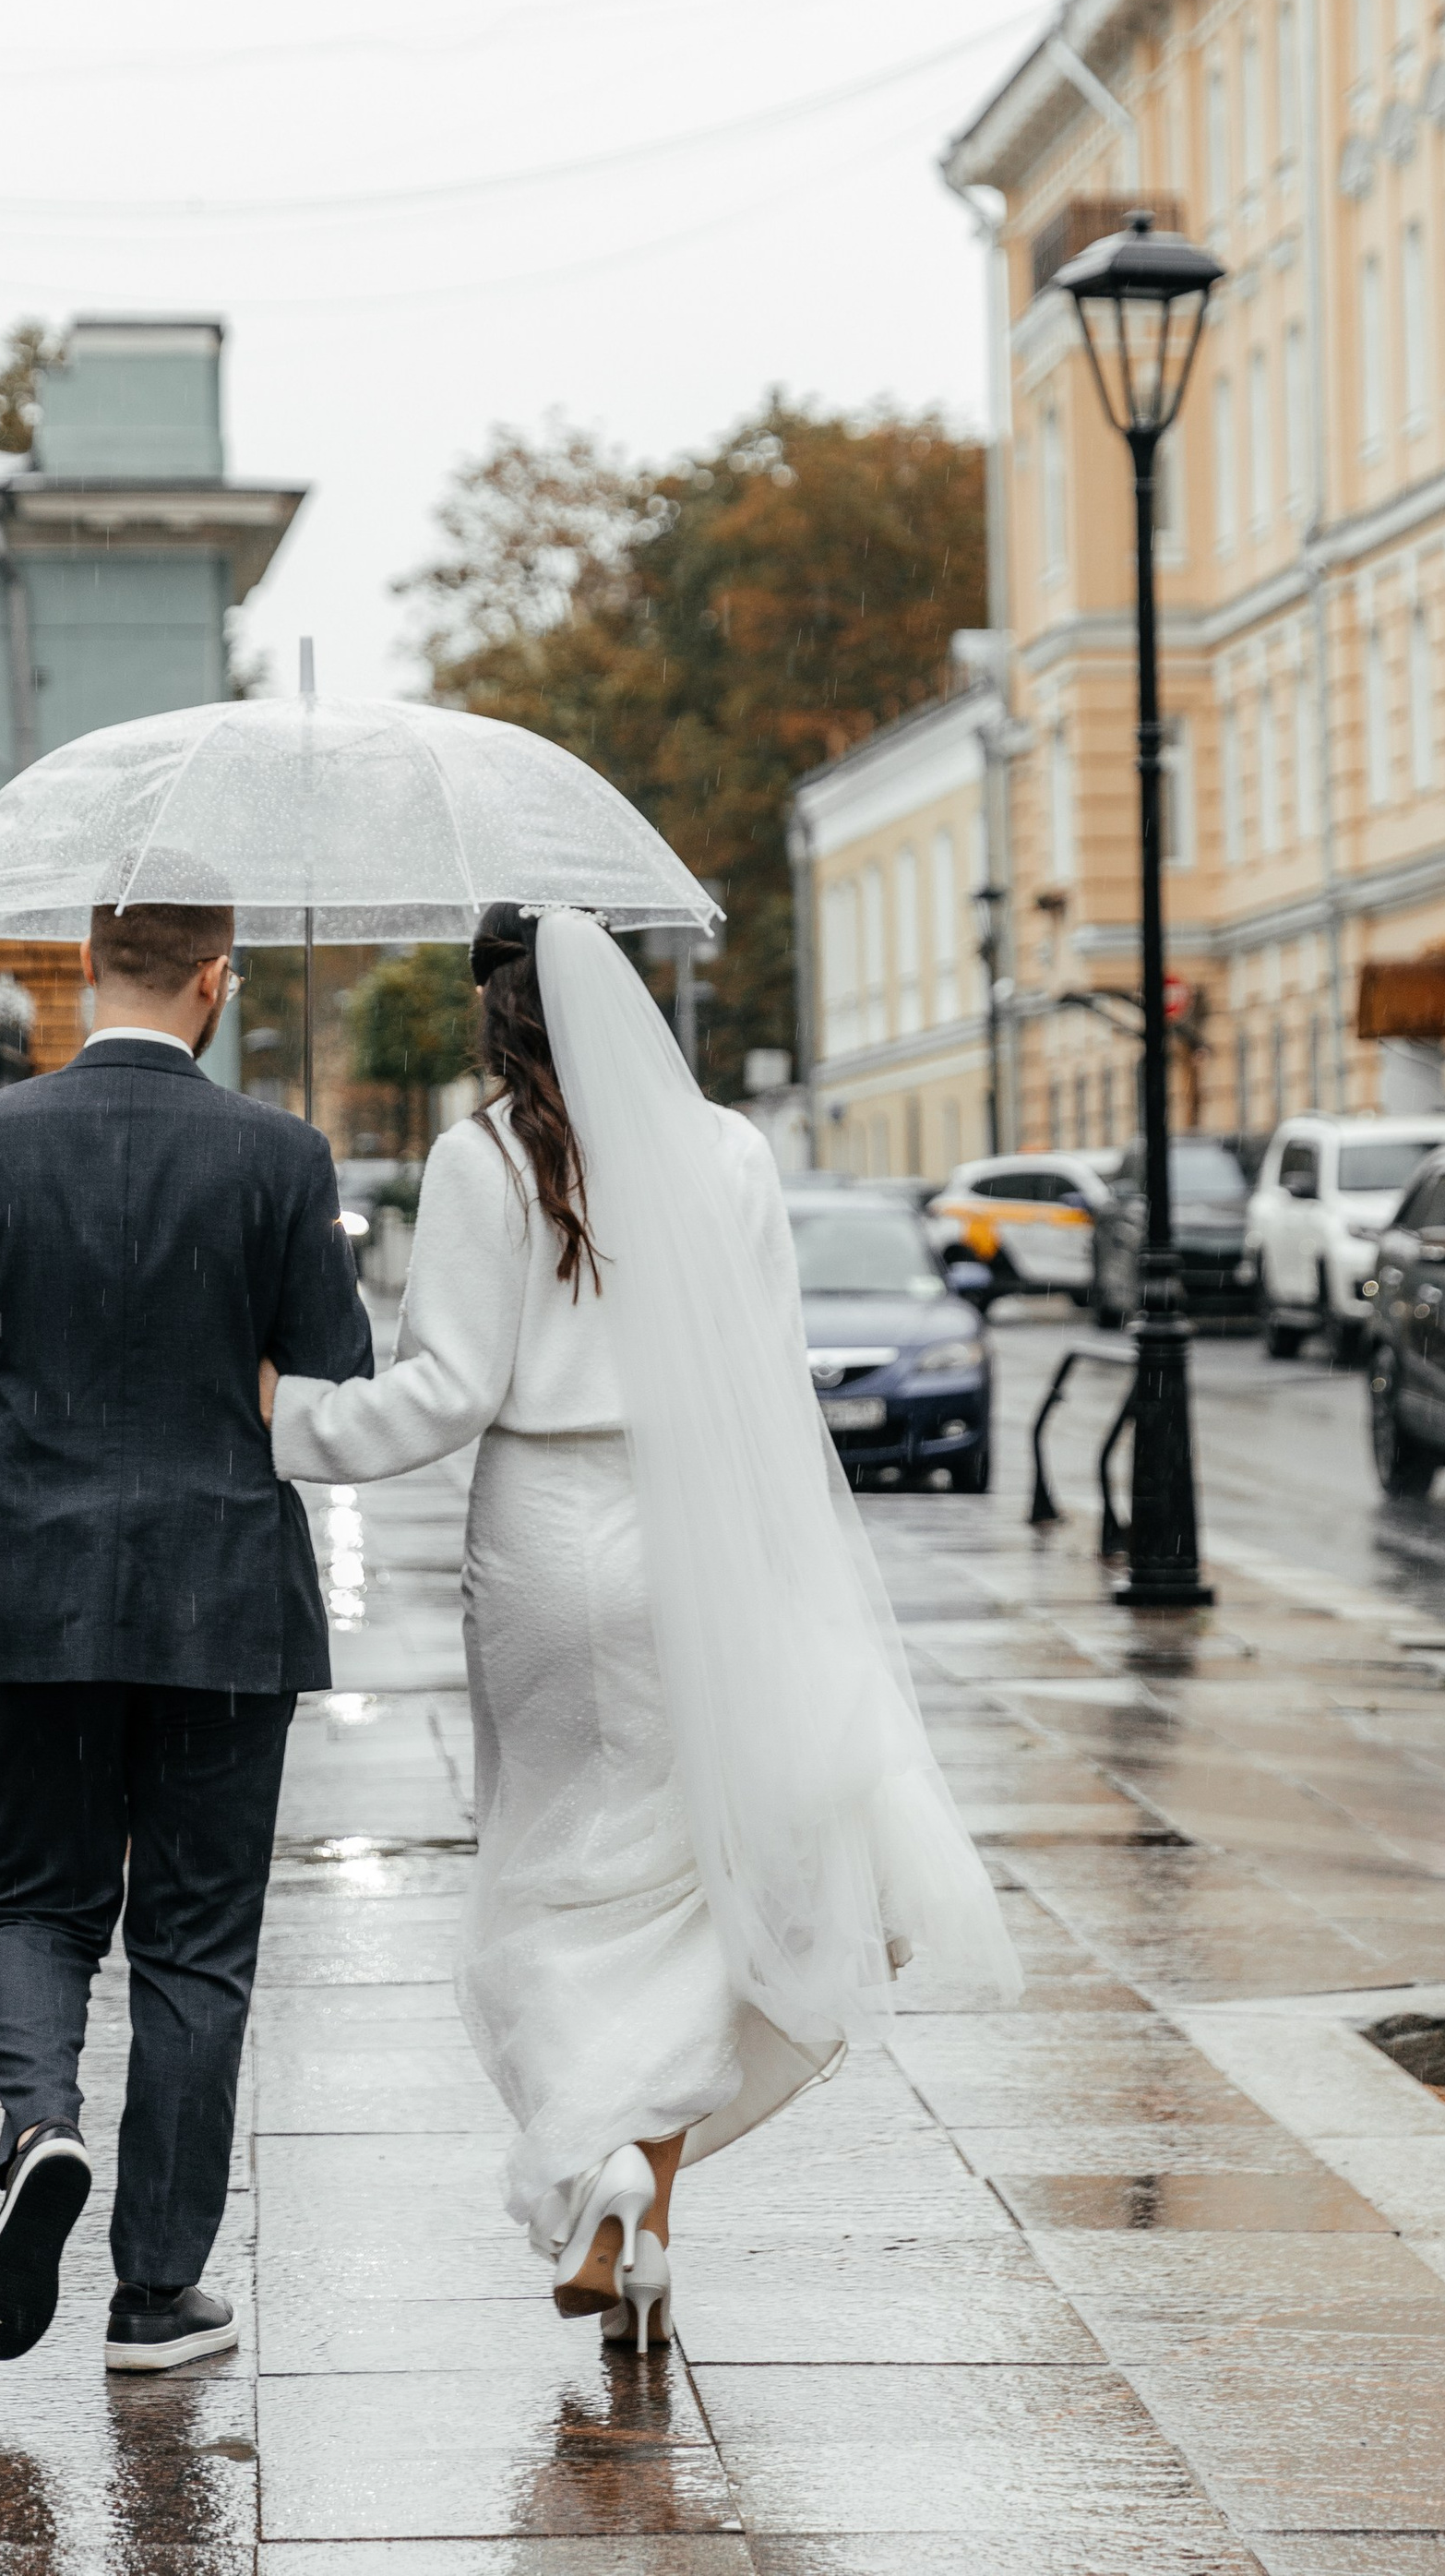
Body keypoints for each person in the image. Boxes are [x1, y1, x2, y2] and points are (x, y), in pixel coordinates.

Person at [268, 902, 1017, 2350]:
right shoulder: (732, 1155)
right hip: (699, 1535)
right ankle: (639, 2214)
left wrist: (283, 1418)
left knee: (559, 1869)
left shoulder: (479, 1161)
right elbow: (765, 1378)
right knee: (685, 1884)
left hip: (546, 1544)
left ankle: (607, 2178)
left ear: (497, 1022)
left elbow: (443, 1396)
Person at [0, 900, 370, 2374]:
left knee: (35, 1904)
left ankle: (41, 2126)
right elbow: (333, 1379)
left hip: (29, 1594)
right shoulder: (280, 1157)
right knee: (196, 1950)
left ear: (86, 969)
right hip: (225, 1600)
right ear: (214, 982)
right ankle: (156, 2296)